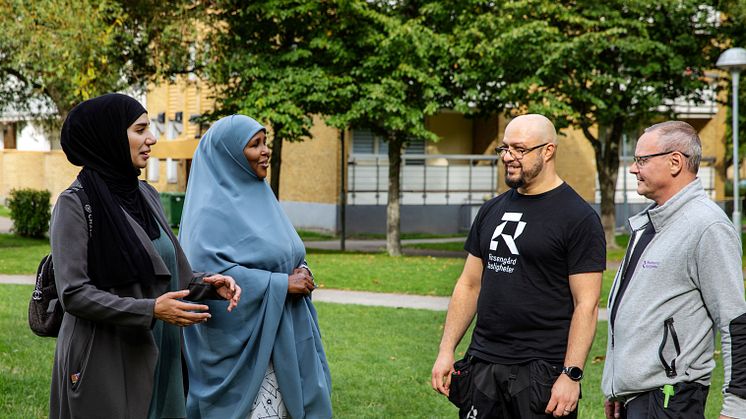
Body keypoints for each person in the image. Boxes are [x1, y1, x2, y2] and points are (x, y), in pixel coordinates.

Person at [49, 93, 241, 419]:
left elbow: (169, 270)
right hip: (104, 356)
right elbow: (74, 293)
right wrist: (151, 309)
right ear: (108, 136)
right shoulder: (75, 204)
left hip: (160, 350)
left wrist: (210, 285)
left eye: (148, 129)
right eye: (140, 130)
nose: (151, 138)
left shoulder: (146, 195)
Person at [431, 114, 606, 418]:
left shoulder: (578, 218)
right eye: (505, 149)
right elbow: (469, 284)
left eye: (519, 150)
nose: (508, 157)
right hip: (483, 364)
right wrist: (447, 349)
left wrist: (571, 374)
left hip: (541, 372)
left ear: (548, 151)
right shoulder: (491, 211)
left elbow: (586, 304)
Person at [178, 114, 332, 419]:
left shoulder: (263, 197)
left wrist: (303, 270)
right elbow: (206, 277)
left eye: (266, 142)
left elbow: (287, 251)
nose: (265, 151)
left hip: (284, 336)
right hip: (244, 354)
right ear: (230, 155)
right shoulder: (208, 212)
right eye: (254, 144)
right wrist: (281, 285)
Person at [602, 121, 746, 419]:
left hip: (669, 399)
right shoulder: (650, 224)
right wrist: (620, 387)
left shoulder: (708, 226)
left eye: (642, 159)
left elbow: (736, 323)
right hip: (637, 399)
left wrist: (737, 409)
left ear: (675, 162)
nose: (633, 168)